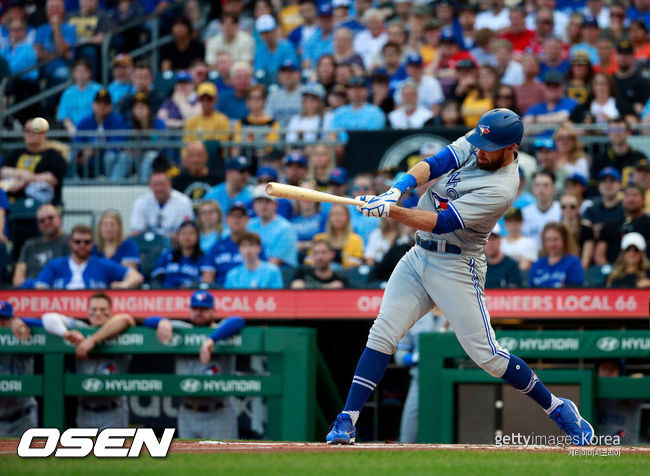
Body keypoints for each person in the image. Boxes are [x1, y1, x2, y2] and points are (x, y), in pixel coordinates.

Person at [326, 108, 594, 446]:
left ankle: (557, 407)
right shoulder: (481, 141)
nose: (480, 149)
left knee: (488, 356)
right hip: (419, 254)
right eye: (480, 141)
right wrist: (396, 190)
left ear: (511, 149)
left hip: (456, 266)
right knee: (382, 332)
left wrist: (391, 211)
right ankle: (348, 419)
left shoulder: (502, 188)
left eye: (489, 146)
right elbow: (435, 163)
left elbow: (442, 222)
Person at [143, 291, 245, 439]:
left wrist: (211, 339)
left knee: (223, 458)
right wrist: (162, 322)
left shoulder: (222, 330)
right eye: (195, 309)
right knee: (188, 459)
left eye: (204, 309)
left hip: (218, 411)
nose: (199, 313)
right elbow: (146, 320)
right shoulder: (181, 329)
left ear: (213, 311)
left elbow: (238, 320)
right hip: (187, 411)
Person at [41, 293, 135, 428]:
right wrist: (66, 333)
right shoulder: (80, 328)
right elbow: (48, 318)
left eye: (103, 310)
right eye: (94, 309)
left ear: (111, 312)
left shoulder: (119, 328)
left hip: (113, 411)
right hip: (85, 411)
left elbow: (125, 318)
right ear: (88, 312)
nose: (98, 313)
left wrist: (92, 340)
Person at [393, 311, 447, 444]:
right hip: (420, 379)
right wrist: (415, 357)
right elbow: (399, 356)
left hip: (447, 380)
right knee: (408, 432)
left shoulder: (452, 314)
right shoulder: (415, 316)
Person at [35, 224, 143, 290]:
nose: (82, 245)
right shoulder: (55, 265)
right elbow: (40, 287)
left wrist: (125, 284)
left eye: (87, 242)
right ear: (71, 243)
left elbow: (136, 277)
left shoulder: (102, 264)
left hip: (95, 315)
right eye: (78, 242)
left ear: (93, 244)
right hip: (62, 314)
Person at [1, 118, 67, 206]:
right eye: (27, 130)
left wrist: (26, 180)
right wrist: (23, 174)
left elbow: (53, 178)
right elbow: (3, 171)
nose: (30, 133)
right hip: (13, 203)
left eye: (34, 130)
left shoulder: (53, 155)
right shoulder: (15, 153)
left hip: (45, 206)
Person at [0, 301, 40, 436]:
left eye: (4, 320)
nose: (0, 324)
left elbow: (46, 322)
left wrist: (21, 321)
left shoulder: (22, 334)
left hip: (22, 419)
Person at [74, 89, 129, 179]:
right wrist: (82, 151)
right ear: (93, 105)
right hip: (88, 159)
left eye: (105, 104)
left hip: (108, 160)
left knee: (110, 157)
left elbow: (117, 144)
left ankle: (110, 185)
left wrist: (95, 149)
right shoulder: (85, 121)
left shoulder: (117, 120)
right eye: (99, 104)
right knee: (73, 157)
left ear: (111, 106)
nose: (102, 107)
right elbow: (77, 141)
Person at [12, 204, 68, 288]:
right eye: (42, 220)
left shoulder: (72, 242)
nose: (46, 222)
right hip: (31, 293)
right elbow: (18, 278)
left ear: (59, 218)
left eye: (50, 218)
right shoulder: (29, 245)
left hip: (59, 291)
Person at [130, 170, 195, 238]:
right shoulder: (141, 202)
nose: (159, 188)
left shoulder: (184, 202)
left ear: (169, 184)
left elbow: (188, 229)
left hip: (175, 244)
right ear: (150, 186)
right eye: (155, 185)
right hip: (149, 244)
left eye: (162, 184)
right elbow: (136, 230)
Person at [595, 184, 650, 264]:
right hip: (614, 271)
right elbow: (599, 256)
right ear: (622, 200)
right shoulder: (610, 225)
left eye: (635, 195)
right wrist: (612, 272)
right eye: (627, 195)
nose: (631, 199)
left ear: (644, 199)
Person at [247, 185, 298, 268]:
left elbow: (274, 263)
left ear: (275, 205)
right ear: (254, 205)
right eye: (259, 202)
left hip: (280, 274)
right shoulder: (249, 225)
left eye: (267, 201)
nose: (263, 206)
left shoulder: (285, 228)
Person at [203, 202, 253, 286]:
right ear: (227, 220)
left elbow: (262, 271)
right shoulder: (217, 246)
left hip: (249, 291)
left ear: (247, 219)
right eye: (233, 216)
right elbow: (208, 278)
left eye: (240, 216)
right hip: (221, 293)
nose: (237, 220)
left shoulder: (254, 245)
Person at [151, 220, 210, 288]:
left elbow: (206, 283)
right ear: (177, 236)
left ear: (198, 236)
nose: (187, 236)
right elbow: (157, 277)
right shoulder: (167, 255)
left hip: (191, 294)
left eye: (191, 233)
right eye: (183, 233)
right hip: (166, 294)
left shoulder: (204, 258)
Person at [591, 119, 646, 188]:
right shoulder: (599, 159)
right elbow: (592, 186)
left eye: (620, 129)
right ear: (608, 134)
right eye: (613, 130)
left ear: (628, 132)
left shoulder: (640, 157)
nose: (617, 133)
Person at [34, 0, 76, 86]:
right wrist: (58, 55)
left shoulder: (70, 29)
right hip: (42, 67)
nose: (54, 12)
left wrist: (56, 27)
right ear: (47, 12)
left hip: (61, 67)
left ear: (63, 11)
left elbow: (60, 50)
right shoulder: (41, 29)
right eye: (51, 8)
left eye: (57, 8)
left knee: (62, 74)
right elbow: (37, 53)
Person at [529, 222, 584, 288]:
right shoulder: (537, 264)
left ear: (564, 240)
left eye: (556, 239)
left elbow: (575, 290)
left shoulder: (573, 262)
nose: (552, 244)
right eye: (548, 240)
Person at [569, 72, 636, 125]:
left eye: (604, 84)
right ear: (592, 87)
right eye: (597, 84)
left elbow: (634, 120)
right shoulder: (584, 106)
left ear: (610, 86)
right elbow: (569, 123)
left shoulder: (621, 104)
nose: (601, 87)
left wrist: (611, 120)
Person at [311, 203, 363, 269]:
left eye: (341, 214)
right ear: (329, 217)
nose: (337, 218)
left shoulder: (356, 239)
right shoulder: (318, 238)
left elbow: (357, 263)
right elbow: (309, 261)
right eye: (334, 214)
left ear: (347, 217)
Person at [56, 59, 102, 133]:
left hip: (95, 131)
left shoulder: (99, 90)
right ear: (73, 73)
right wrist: (71, 128)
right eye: (78, 72)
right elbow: (64, 116)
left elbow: (103, 113)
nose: (81, 75)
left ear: (89, 73)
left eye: (84, 72)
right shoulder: (67, 93)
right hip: (74, 132)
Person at [172, 141, 223, 205]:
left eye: (199, 155)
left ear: (206, 157)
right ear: (185, 159)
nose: (195, 160)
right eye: (191, 155)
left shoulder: (218, 181)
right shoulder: (178, 182)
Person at [253, 14, 299, 86]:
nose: (266, 35)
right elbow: (259, 70)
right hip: (265, 83)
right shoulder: (259, 49)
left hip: (285, 83)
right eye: (263, 33)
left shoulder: (287, 46)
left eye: (268, 32)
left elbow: (291, 67)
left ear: (275, 30)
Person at [522, 170, 562, 250]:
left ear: (554, 189)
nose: (541, 189)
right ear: (532, 189)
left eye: (546, 185)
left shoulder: (562, 210)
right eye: (537, 185)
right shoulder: (524, 212)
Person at [204, 156, 253, 221]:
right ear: (228, 173)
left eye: (247, 172)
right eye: (241, 172)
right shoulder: (212, 195)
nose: (245, 176)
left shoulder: (252, 195)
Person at [583, 167, 624, 236]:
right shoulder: (591, 210)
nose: (608, 184)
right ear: (598, 186)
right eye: (604, 181)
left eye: (612, 180)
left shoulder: (626, 209)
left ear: (620, 185)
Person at [559, 193, 594, 270]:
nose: (568, 210)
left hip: (578, 271)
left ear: (578, 208)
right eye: (563, 207)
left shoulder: (586, 230)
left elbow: (585, 261)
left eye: (572, 207)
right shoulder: (556, 231)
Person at [264, 60, 303, 128]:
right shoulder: (273, 96)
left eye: (291, 72)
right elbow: (267, 119)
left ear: (299, 74)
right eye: (284, 72)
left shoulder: (307, 94)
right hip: (276, 136)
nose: (287, 75)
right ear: (279, 76)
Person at [485, 223, 522, 288]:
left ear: (500, 240)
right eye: (487, 239)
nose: (490, 243)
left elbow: (514, 293)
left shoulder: (511, 265)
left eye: (494, 238)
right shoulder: (477, 265)